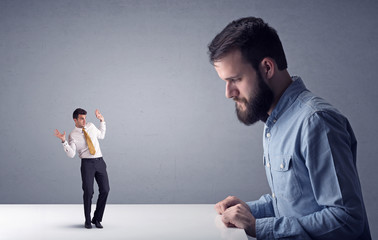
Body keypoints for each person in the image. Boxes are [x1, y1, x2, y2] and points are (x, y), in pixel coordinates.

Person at [208, 17, 371, 239]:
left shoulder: (316, 121)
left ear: (267, 67)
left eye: (235, 79)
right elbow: (294, 204)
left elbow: (346, 219)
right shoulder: (275, 123)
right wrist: (248, 211)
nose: (228, 92)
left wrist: (258, 228)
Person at [54, 108, 110, 229]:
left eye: (85, 118)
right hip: (87, 164)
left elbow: (101, 135)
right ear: (75, 119)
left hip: (100, 161)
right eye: (81, 118)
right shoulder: (72, 135)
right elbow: (71, 154)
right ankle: (88, 220)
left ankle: (97, 219)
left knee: (105, 190)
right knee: (89, 192)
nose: (84, 121)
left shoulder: (91, 126)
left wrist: (102, 121)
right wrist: (64, 141)